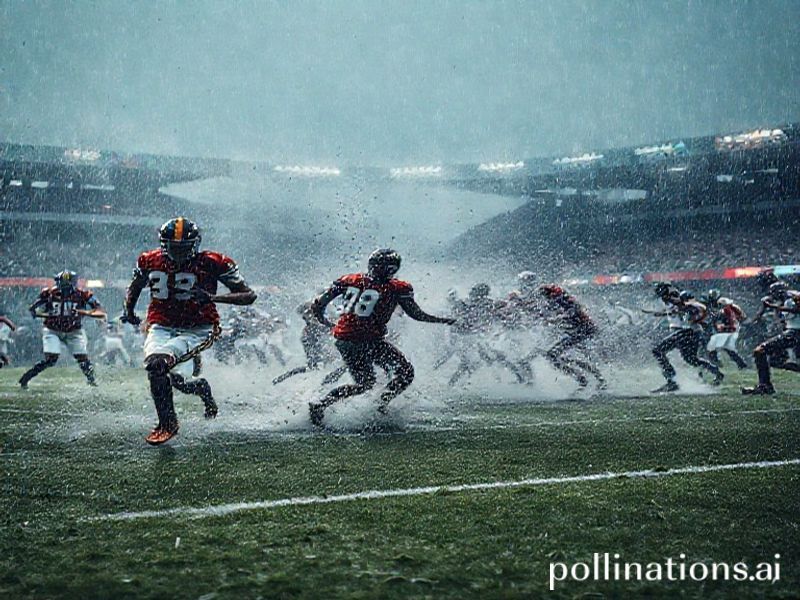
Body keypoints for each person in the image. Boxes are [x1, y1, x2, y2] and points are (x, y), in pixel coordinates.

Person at [122, 217, 257, 445]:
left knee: (158, 365)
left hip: (199, 327)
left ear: (195, 244)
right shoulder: (149, 260)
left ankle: (167, 424)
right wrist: (129, 310)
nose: (178, 252)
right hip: (162, 324)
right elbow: (135, 286)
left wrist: (213, 298)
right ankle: (200, 388)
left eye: (183, 247)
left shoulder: (213, 261)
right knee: (162, 371)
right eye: (173, 247)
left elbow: (248, 295)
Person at [308, 248, 455, 427]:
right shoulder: (397, 288)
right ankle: (380, 404)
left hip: (344, 339)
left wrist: (325, 322)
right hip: (369, 340)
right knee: (406, 373)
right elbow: (416, 314)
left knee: (365, 383)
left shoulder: (350, 279)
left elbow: (318, 304)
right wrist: (443, 320)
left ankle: (321, 403)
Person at [19, 270, 106, 388]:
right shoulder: (49, 293)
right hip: (53, 329)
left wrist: (84, 312)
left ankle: (92, 381)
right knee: (51, 359)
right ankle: (26, 377)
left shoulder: (83, 295)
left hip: (74, 331)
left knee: (82, 358)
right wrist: (40, 312)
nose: (64, 289)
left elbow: (101, 312)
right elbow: (33, 308)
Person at [647, 284, 723, 393]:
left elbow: (682, 304)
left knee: (657, 351)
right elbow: (679, 309)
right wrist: (664, 312)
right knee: (691, 359)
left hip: (686, 332)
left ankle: (671, 380)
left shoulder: (682, 300)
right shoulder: (681, 303)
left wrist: (671, 301)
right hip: (692, 333)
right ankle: (716, 372)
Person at [535, 284, 607, 391]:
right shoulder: (560, 300)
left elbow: (573, 312)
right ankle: (595, 378)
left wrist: (554, 320)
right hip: (578, 332)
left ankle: (584, 379)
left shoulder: (562, 300)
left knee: (554, 356)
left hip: (584, 331)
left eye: (545, 296)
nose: (545, 300)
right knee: (561, 357)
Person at [742, 281, 800, 395]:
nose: (773, 296)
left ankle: (765, 386)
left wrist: (773, 306)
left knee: (760, 351)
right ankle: (765, 385)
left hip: (795, 333)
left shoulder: (794, 297)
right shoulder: (785, 299)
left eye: (774, 293)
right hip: (792, 332)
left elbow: (797, 310)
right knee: (775, 361)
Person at [706, 295, 748, 369]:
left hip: (730, 330)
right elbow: (743, 317)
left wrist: (722, 326)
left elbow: (716, 320)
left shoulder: (725, 310)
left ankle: (716, 361)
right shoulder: (733, 308)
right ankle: (741, 363)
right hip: (735, 329)